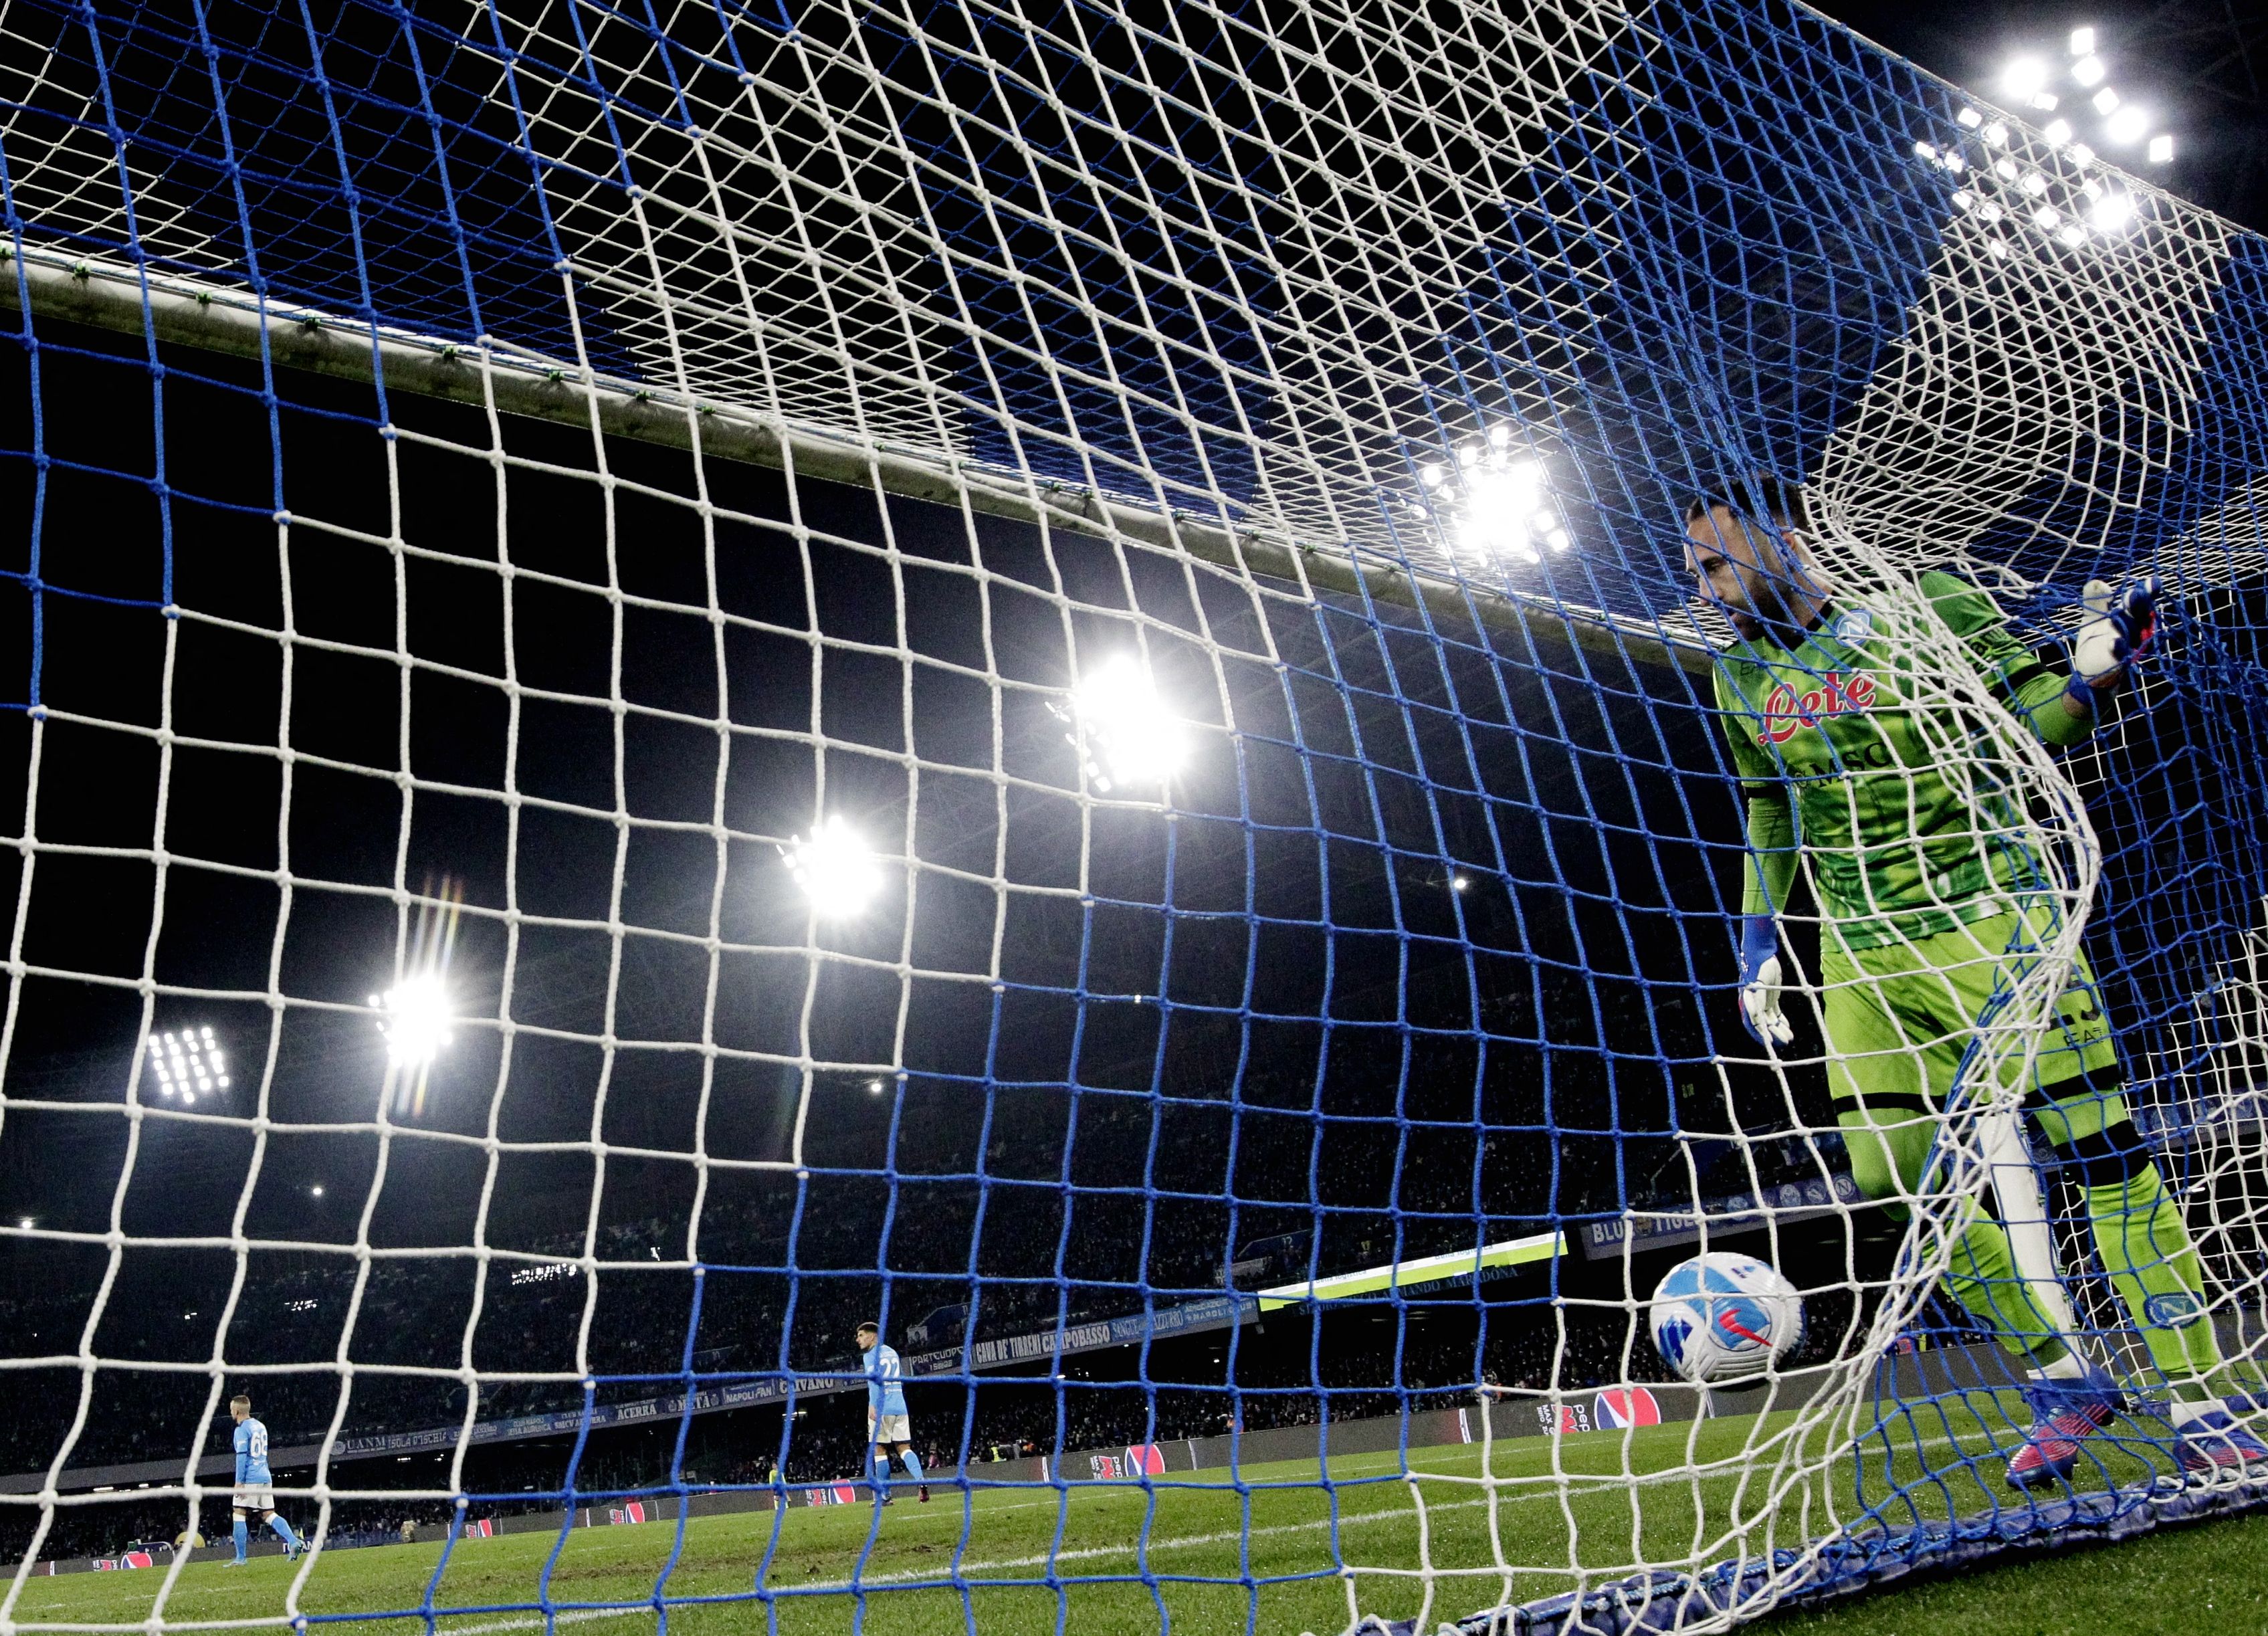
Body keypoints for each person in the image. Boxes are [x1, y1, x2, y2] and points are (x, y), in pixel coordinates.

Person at [1683, 476, 2266, 1486]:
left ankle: (2200, 1402)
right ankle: (2061, 1374)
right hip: (1858, 954)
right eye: (1693, 567)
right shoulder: (1738, 677)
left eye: (1716, 558)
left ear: (1784, 535)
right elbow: (1767, 808)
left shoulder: (1927, 607)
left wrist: (2091, 677)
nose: (1706, 583)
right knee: (1889, 1182)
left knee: (2101, 1159)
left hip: (1991, 918)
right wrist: (1756, 941)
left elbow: (2027, 722)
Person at [223, 1394, 304, 1564]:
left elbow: (242, 1456)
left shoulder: (241, 1430)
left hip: (250, 1477)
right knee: (268, 1514)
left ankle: (240, 1558)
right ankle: (293, 1541)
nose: (231, 1411)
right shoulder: (260, 1426)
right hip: (265, 1475)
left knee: (238, 1513)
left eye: (232, 1408)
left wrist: (239, 1482)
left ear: (237, 1410)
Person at [856, 1322, 928, 1504]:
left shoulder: (870, 1356)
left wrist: (873, 1404)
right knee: (904, 1448)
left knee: (879, 1450)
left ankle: (885, 1496)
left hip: (882, 1407)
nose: (858, 1340)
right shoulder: (893, 1353)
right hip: (900, 1405)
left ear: (872, 1336)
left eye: (862, 1335)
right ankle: (920, 1480)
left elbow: (874, 1381)